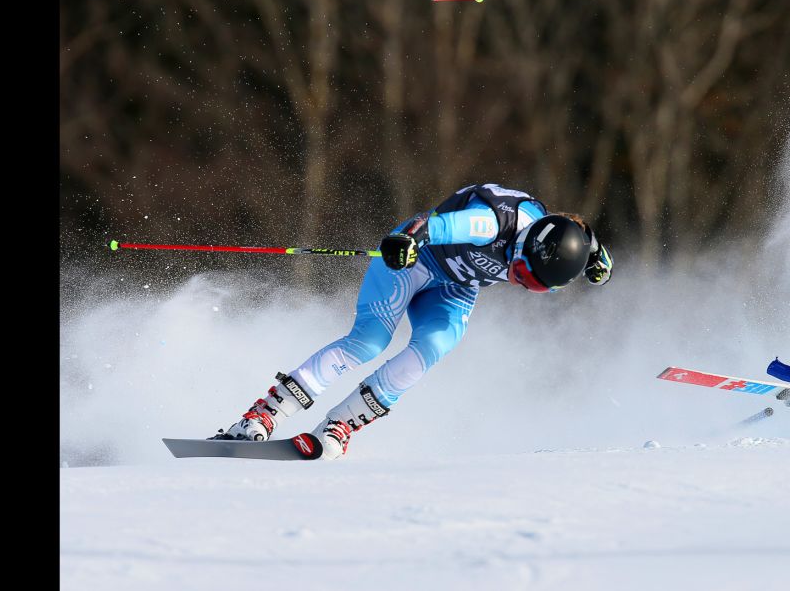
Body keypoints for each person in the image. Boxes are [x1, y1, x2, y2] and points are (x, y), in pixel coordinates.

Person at [213, 183, 613, 459]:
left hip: (455, 286)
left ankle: (339, 427)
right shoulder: (493, 223)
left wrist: (595, 256)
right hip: (415, 260)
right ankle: (264, 414)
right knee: (369, 342)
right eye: (522, 271)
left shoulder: (556, 236)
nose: (518, 280)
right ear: (527, 243)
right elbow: (439, 226)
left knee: (434, 347)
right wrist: (410, 242)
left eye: (534, 286)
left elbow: (580, 233)